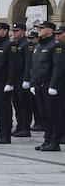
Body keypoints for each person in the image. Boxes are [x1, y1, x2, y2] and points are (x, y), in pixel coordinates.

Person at [28, 21, 62, 151]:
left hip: (49, 86)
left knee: (53, 114)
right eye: (39, 28)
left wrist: (53, 85)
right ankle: (47, 139)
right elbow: (34, 67)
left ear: (50, 30)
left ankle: (54, 141)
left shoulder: (55, 46)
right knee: (43, 114)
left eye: (43, 28)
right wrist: (32, 83)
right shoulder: (38, 46)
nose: (40, 30)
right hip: (39, 85)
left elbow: (58, 68)